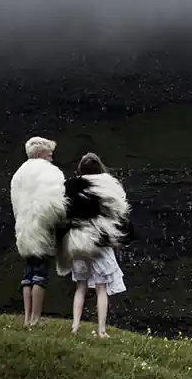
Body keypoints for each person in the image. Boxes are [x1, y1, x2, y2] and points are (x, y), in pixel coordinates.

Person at [56, 152, 133, 338]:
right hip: (99, 240)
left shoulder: (70, 186)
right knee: (101, 288)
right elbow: (118, 211)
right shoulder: (107, 186)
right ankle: (101, 330)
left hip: (76, 241)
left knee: (80, 286)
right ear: (99, 167)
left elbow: (61, 211)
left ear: (81, 169)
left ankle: (74, 327)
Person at [10, 136, 67, 327]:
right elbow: (56, 204)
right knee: (40, 274)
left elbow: (16, 204)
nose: (52, 157)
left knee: (28, 272)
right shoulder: (50, 172)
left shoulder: (19, 174)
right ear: (42, 153)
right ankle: (35, 318)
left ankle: (26, 318)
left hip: (24, 228)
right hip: (42, 228)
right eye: (50, 154)